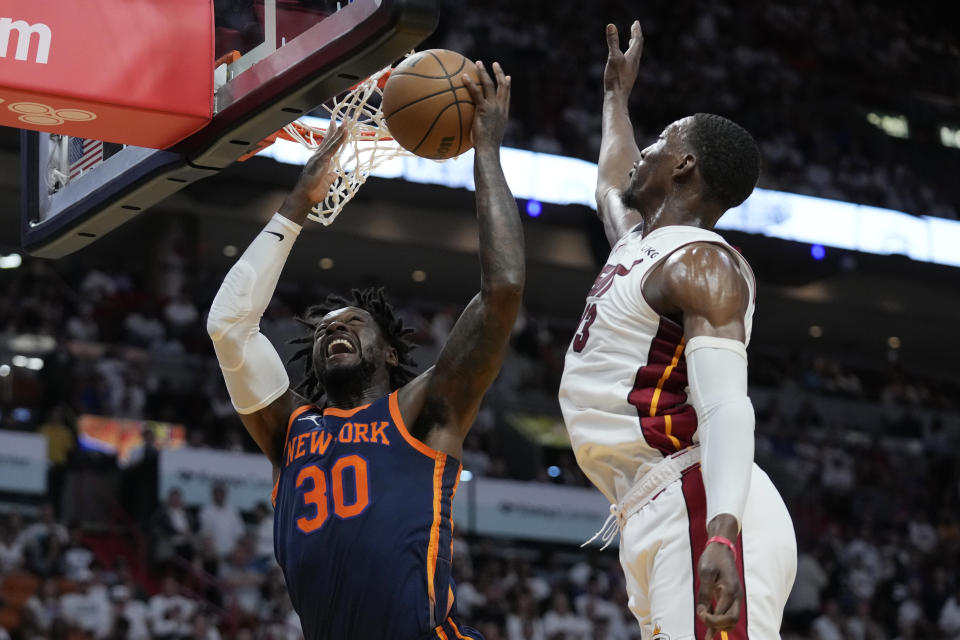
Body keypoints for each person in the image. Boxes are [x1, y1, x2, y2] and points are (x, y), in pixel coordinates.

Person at [206, 60, 521, 639]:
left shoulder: (423, 414)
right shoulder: (288, 432)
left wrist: (486, 149)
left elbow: (502, 292)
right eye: (324, 327)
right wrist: (295, 206)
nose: (332, 329)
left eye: (352, 322)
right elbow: (230, 325)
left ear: (392, 355)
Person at [558, 21, 797, 640]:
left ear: (686, 163)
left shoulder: (703, 264)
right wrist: (616, 98)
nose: (646, 150)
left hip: (696, 495)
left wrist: (722, 528)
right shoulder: (638, 246)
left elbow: (725, 406)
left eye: (660, 141)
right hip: (649, 507)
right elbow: (611, 183)